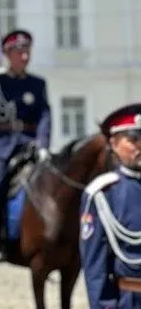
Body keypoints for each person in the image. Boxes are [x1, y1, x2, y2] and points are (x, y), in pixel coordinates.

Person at [0, 28, 51, 264]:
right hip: (1, 145)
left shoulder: (37, 84)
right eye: (19, 52)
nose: (24, 56)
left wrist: (43, 144)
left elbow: (45, 114)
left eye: (27, 51)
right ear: (6, 54)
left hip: (30, 144)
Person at [79, 102, 141, 308]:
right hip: (130, 299)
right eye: (133, 140)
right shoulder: (102, 194)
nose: (140, 146)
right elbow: (95, 267)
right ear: (114, 144)